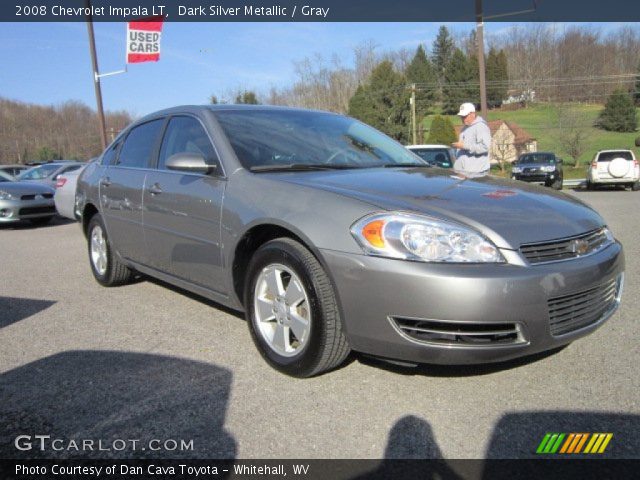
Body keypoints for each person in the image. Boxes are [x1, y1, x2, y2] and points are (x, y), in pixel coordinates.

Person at [451, 102, 491, 176]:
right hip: (462, 172)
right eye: (461, 116)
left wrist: (464, 146)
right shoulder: (465, 128)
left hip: (476, 174)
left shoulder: (481, 127)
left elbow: (484, 147)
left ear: (472, 114)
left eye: (465, 116)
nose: (462, 119)